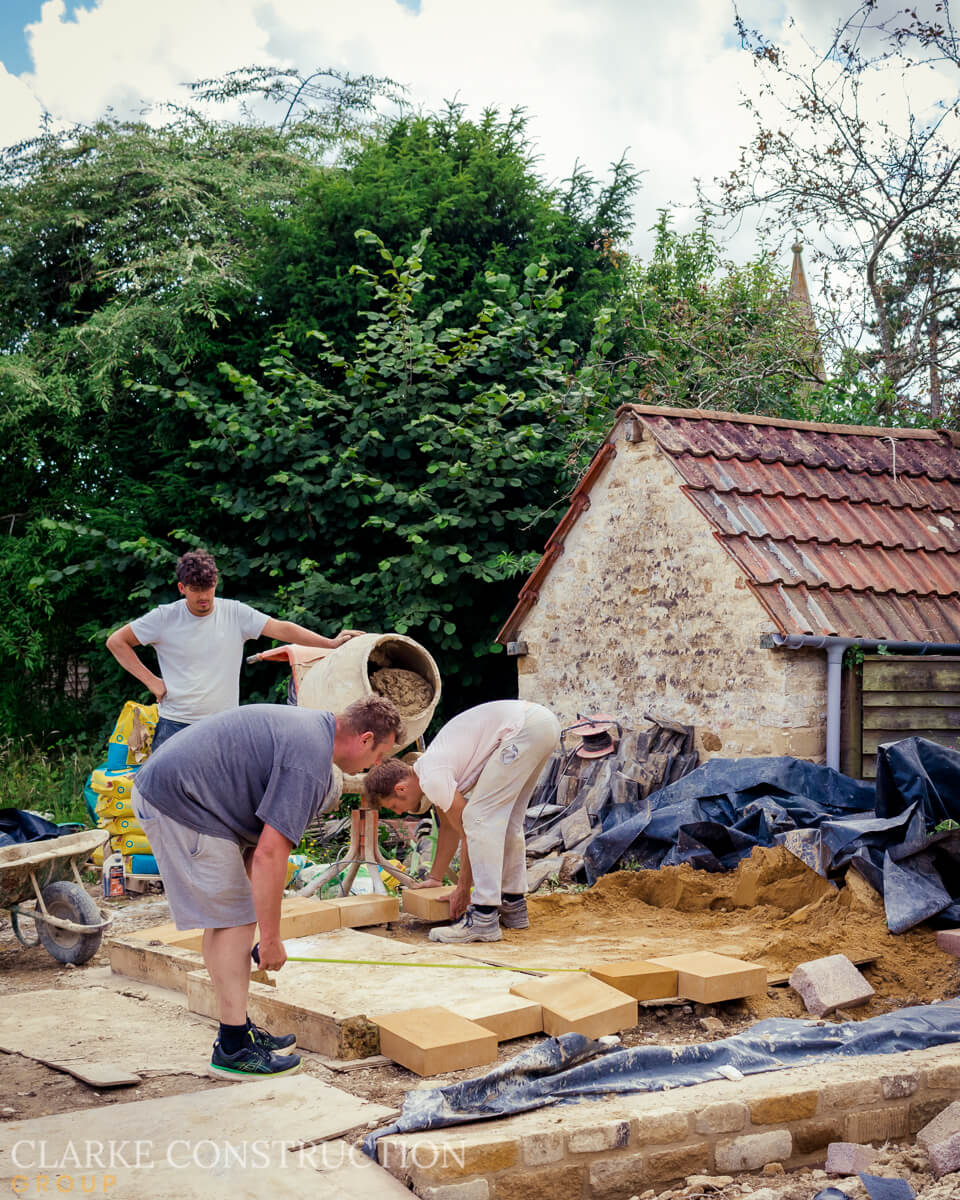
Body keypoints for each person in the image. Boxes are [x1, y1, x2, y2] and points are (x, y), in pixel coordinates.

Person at [131, 695, 403, 1081]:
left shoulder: (310, 731)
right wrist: (271, 938)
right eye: (379, 754)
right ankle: (233, 1049)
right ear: (365, 738)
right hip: (181, 802)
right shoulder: (309, 764)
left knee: (231, 918)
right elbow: (270, 856)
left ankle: (237, 1029)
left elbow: (253, 853)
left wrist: (259, 920)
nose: (375, 766)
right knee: (234, 920)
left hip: (185, 795)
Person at [106, 549, 364, 750]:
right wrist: (151, 680)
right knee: (171, 804)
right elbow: (116, 642)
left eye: (208, 588)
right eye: (195, 590)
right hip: (176, 724)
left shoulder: (235, 613)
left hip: (223, 725)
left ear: (215, 582)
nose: (203, 597)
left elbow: (282, 629)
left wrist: (330, 643)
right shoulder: (164, 618)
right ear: (182, 588)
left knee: (223, 802)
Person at [362, 700, 560, 944]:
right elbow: (448, 828)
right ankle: (513, 905)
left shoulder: (432, 777)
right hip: (541, 724)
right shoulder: (430, 771)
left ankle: (483, 918)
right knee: (506, 821)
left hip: (523, 728)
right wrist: (435, 877)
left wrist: (463, 889)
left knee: (479, 818)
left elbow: (468, 829)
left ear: (400, 788)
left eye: (394, 806)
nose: (400, 813)